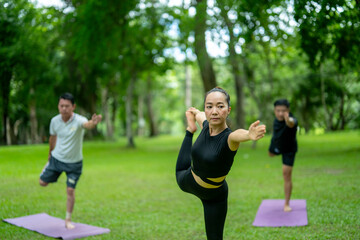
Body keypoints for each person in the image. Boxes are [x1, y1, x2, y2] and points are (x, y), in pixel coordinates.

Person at [175, 87, 266, 240]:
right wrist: (194, 112)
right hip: (189, 180)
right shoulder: (205, 123)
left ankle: (191, 130)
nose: (214, 111)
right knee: (179, 171)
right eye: (209, 106)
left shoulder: (229, 138)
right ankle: (190, 130)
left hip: (216, 195)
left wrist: (249, 135)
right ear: (205, 108)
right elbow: (199, 114)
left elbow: (239, 135)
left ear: (228, 109)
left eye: (220, 106)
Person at [39, 93, 102, 229]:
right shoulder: (54, 121)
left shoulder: (79, 120)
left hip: (74, 163)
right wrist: (50, 154)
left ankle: (68, 220)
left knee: (70, 191)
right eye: (61, 106)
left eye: (67, 106)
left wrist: (94, 123)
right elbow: (52, 138)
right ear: (58, 106)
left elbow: (87, 125)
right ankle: (47, 166)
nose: (64, 109)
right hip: (57, 159)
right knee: (42, 183)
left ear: (73, 107)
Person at [268, 99, 298, 212]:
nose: (280, 113)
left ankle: (286, 203)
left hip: (289, 150)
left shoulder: (292, 119)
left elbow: (291, 123)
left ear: (288, 110)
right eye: (278, 110)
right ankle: (272, 151)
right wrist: (272, 148)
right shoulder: (276, 121)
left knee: (286, 174)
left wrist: (287, 119)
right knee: (270, 155)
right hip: (278, 145)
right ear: (275, 110)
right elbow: (276, 135)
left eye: (283, 111)